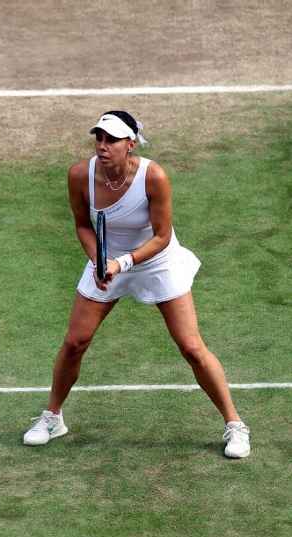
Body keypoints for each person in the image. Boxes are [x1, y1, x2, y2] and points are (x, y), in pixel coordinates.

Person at [22, 110, 251, 458]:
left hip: (157, 261)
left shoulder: (153, 176)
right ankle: (53, 417)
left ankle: (235, 425)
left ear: (130, 144)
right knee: (74, 342)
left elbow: (161, 236)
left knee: (191, 346)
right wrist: (99, 261)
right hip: (107, 261)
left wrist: (122, 262)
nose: (102, 146)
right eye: (98, 138)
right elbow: (83, 225)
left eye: (111, 140)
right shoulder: (79, 175)